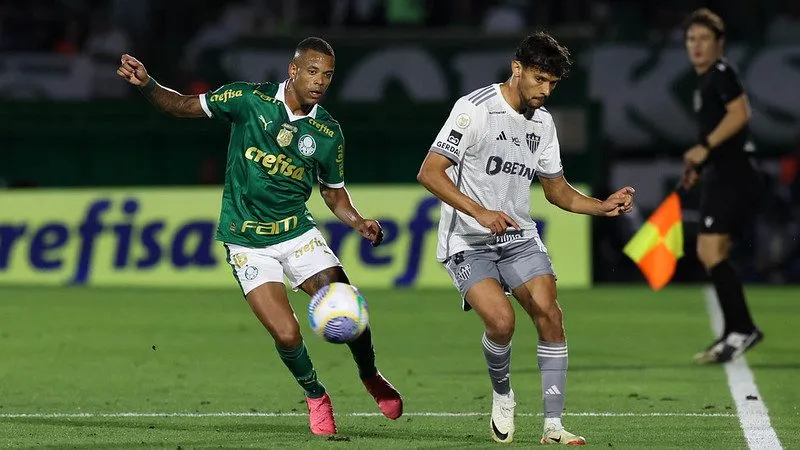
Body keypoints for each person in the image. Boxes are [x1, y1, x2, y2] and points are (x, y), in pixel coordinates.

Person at [115, 37, 403, 436]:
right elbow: (180, 105)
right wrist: (148, 84)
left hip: (296, 232)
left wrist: (357, 221)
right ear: (294, 70)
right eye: (313, 71)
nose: (320, 81)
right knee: (286, 333)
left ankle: (370, 375)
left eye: (328, 75)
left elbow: (333, 192)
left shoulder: (328, 132)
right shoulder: (248, 100)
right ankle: (315, 395)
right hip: (246, 239)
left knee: (347, 307)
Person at [417, 31, 635, 445]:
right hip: (467, 238)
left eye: (552, 83)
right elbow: (429, 172)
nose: (546, 90)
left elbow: (557, 192)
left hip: (517, 236)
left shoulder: (543, 123)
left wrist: (601, 206)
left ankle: (553, 425)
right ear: (516, 69)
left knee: (550, 315)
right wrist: (480, 212)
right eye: (539, 79)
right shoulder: (474, 109)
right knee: (501, 323)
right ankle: (502, 394)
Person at [680, 9, 765, 364]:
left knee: (711, 251)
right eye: (691, 40)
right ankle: (735, 331)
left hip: (733, 173)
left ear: (719, 44)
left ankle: (742, 328)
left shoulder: (721, 73)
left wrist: (707, 148)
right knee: (709, 252)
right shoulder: (704, 82)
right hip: (721, 171)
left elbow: (741, 113)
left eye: (704, 39)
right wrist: (700, 164)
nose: (696, 46)